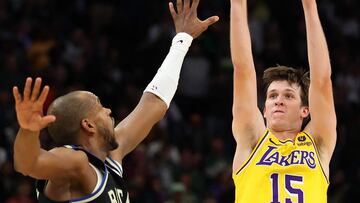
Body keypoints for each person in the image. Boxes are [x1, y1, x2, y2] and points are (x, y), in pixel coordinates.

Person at [12, 0, 219, 202]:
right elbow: (29, 164)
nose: (109, 110)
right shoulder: (76, 163)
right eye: (100, 107)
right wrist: (28, 130)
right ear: (88, 125)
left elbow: (154, 103)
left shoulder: (111, 156)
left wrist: (182, 40)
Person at [230, 0, 336, 202]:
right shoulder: (252, 139)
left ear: (305, 110)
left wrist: (310, 6)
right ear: (264, 110)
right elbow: (243, 71)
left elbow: (322, 81)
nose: (278, 101)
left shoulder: (317, 143)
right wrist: (237, 3)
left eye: (288, 96)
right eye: (272, 96)